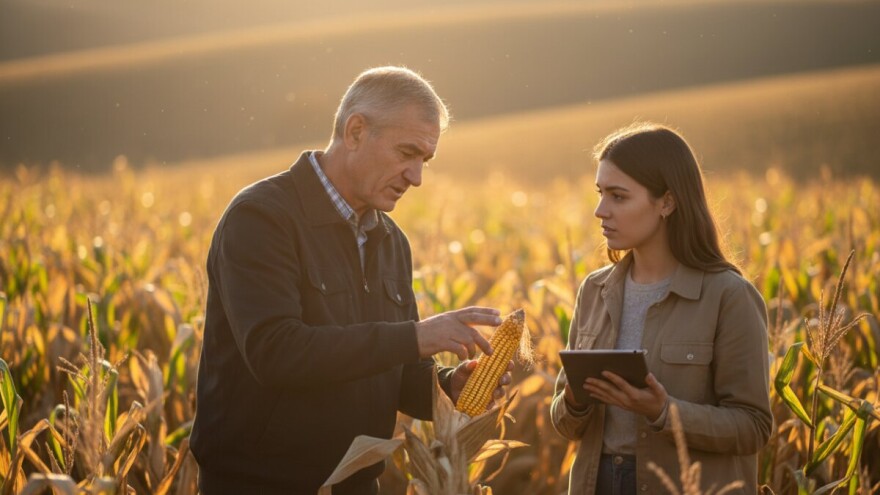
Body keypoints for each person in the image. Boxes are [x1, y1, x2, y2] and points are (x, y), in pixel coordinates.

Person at [190, 66, 509, 495]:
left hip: (356, 485)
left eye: (424, 161)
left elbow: (389, 376)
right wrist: (415, 336)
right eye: (406, 153)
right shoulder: (262, 218)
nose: (416, 177)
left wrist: (449, 386)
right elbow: (276, 353)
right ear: (355, 131)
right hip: (260, 484)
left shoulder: (390, 241)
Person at [550, 123, 773, 494]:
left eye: (618, 197)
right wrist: (574, 400)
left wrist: (663, 411)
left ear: (667, 202)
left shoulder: (729, 297)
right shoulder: (594, 290)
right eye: (600, 193)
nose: (600, 211)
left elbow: (753, 428)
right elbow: (565, 425)